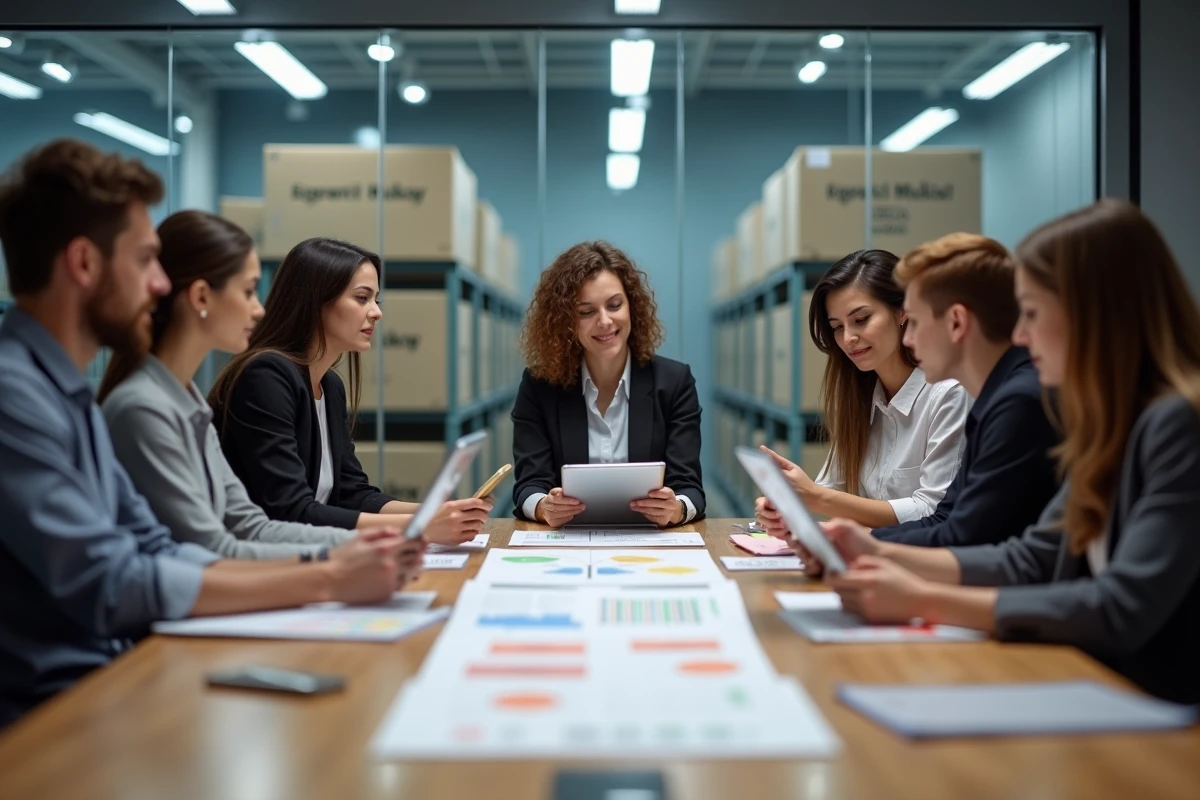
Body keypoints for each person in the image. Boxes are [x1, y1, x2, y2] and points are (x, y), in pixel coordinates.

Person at [0, 139, 423, 726]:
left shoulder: (73, 394)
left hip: (112, 672)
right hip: (57, 707)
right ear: (84, 263)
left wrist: (339, 560)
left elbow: (163, 547)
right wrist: (327, 575)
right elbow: (112, 579)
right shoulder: (19, 396)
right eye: (145, 261)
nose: (159, 284)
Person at [806, 201, 1200, 704]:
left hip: (1153, 707)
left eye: (1031, 313)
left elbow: (1120, 605)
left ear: (1094, 314)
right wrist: (876, 552)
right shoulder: (1108, 422)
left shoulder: (1176, 423)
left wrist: (923, 598)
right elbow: (1033, 558)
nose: (1019, 335)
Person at [758, 234, 1059, 553]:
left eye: (914, 321)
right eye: (837, 327)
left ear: (955, 321)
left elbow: (949, 526)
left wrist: (842, 531)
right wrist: (800, 510)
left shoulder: (1000, 399)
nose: (848, 339)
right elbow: (956, 529)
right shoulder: (1000, 395)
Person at [97, 211, 356, 559]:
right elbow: (213, 551)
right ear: (201, 297)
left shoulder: (189, 403)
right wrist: (338, 559)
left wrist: (368, 544)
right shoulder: (142, 408)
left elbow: (251, 527)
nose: (258, 309)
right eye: (248, 291)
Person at [208, 237, 492, 546]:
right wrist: (420, 525)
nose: (376, 313)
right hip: (264, 557)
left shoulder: (330, 385)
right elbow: (289, 510)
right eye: (362, 298)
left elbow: (352, 493)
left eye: (376, 300)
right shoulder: (266, 377)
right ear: (315, 301)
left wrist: (437, 511)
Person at [755, 249, 970, 528]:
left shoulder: (948, 394)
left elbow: (934, 510)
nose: (848, 338)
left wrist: (816, 498)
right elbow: (832, 486)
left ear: (902, 311)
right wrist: (788, 507)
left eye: (861, 319)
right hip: (869, 551)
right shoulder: (859, 395)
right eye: (837, 327)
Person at [512, 241, 704, 528]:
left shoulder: (675, 383)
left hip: (650, 541)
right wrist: (543, 507)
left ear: (632, 307)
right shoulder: (539, 386)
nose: (604, 321)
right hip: (568, 541)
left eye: (615, 305)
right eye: (585, 312)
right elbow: (529, 485)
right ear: (566, 321)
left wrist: (676, 508)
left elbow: (690, 488)